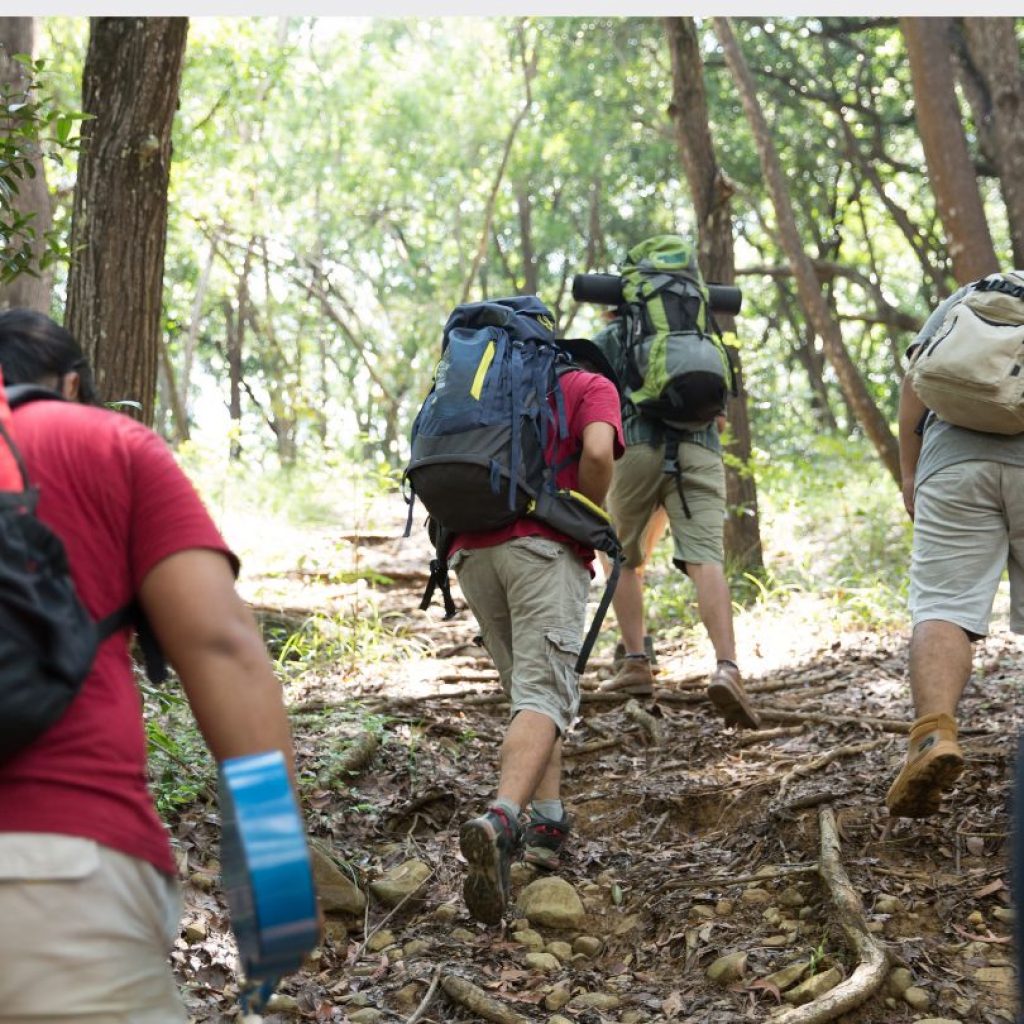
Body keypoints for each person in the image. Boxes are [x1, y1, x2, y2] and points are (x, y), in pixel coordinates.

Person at [0, 309, 303, 1022]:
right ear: (71, 383)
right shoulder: (110, 443)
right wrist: (277, 883)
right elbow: (224, 648)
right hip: (57, 873)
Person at [450, 337, 624, 925]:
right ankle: (501, 819)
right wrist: (588, 517)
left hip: (472, 553)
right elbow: (598, 453)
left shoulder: (487, 391)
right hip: (543, 549)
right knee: (545, 695)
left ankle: (546, 822)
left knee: (531, 693)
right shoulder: (590, 386)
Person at [887, 276, 1024, 817]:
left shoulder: (973, 293)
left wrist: (908, 471)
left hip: (951, 464)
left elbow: (913, 385)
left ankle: (932, 736)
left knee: (943, 606)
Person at [591, 310, 760, 730]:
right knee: (707, 559)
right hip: (700, 452)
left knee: (620, 556)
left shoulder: (614, 336)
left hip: (636, 448)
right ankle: (727, 667)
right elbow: (719, 417)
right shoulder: (705, 338)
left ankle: (635, 662)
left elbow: (596, 401)